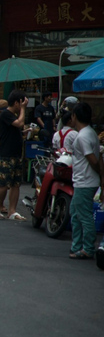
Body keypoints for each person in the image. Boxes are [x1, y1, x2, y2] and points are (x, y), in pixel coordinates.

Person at [0, 90, 29, 220]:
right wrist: (23, 109)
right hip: (6, 154)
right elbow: (19, 123)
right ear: (17, 103)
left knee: (16, 184)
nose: (23, 106)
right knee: (3, 183)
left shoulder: (13, 116)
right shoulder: (6, 114)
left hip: (16, 153)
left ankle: (12, 211)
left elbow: (18, 128)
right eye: (22, 103)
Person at [68, 103, 103, 260]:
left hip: (85, 181)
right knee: (75, 213)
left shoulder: (82, 136)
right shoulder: (90, 133)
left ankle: (87, 248)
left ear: (75, 116)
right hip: (84, 180)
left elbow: (93, 160)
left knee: (84, 215)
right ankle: (77, 246)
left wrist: (100, 175)